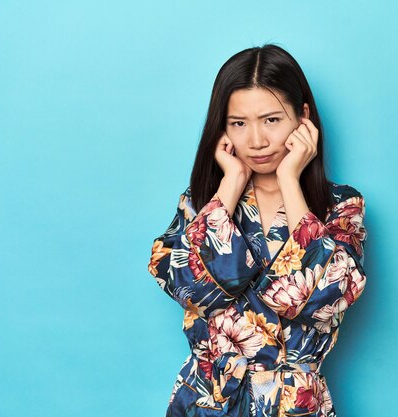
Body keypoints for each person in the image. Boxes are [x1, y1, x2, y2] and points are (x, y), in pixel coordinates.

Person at [148, 43, 368, 417]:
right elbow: (187, 286)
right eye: (238, 123)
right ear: (222, 127)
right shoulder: (201, 202)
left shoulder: (342, 206)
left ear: (303, 117)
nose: (256, 141)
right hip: (208, 402)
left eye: (271, 120)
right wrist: (231, 184)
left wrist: (289, 179)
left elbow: (326, 300)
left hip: (294, 405)